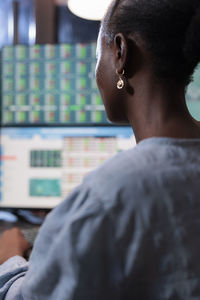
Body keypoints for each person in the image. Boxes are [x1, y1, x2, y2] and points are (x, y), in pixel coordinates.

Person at [1, 0, 200, 299]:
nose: (96, 72)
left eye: (97, 55)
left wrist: (9, 260)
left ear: (120, 52)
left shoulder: (109, 195)